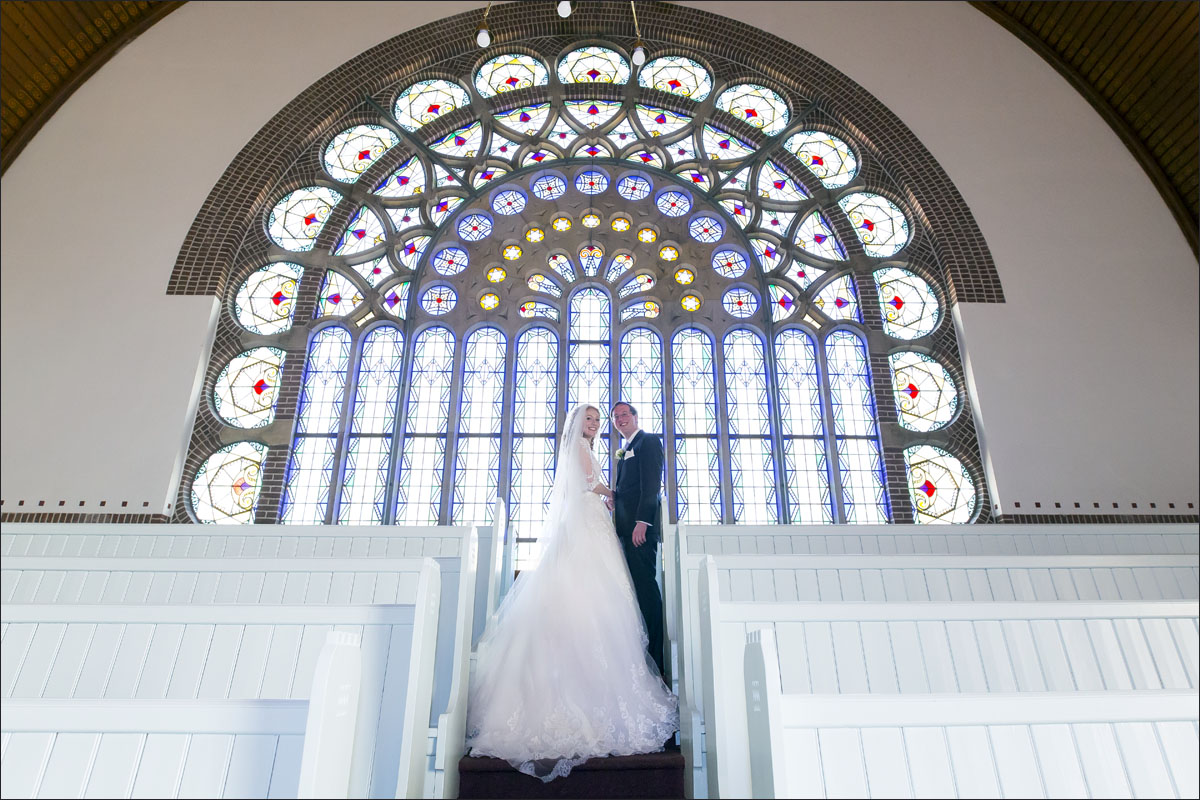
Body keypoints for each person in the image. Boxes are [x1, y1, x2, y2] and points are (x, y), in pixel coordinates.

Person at [464, 404, 679, 782]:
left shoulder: (620, 446)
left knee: (605, 594)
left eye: (601, 420)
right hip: (586, 521)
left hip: (596, 520)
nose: (597, 424)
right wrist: (609, 491)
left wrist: (613, 499)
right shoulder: (581, 450)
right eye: (592, 419)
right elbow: (584, 484)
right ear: (579, 424)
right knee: (586, 588)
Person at [609, 401, 667, 676]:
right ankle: (641, 660)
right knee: (633, 595)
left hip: (639, 532)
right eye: (615, 416)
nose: (620, 419)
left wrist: (642, 522)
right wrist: (614, 499)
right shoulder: (625, 450)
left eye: (624, 414)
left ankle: (657, 664)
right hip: (624, 531)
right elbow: (629, 489)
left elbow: (652, 485)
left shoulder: (648, 442)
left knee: (646, 593)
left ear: (634, 416)